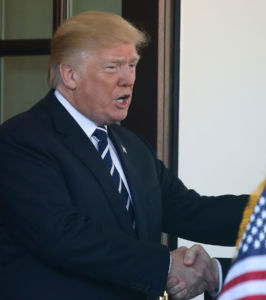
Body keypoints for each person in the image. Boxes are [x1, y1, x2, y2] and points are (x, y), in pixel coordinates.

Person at [0, 11, 249, 300]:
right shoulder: (21, 140)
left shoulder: (130, 145)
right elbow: (65, 236)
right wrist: (166, 264)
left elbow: (191, 211)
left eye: (132, 65)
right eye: (113, 67)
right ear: (70, 75)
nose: (128, 79)